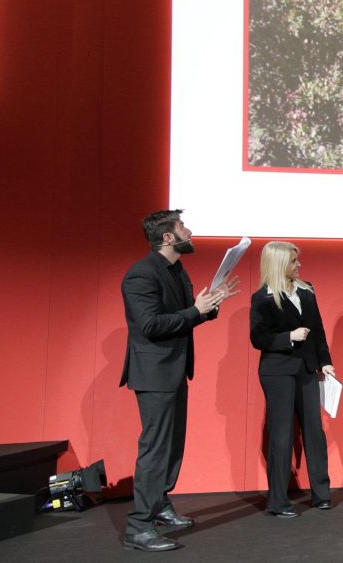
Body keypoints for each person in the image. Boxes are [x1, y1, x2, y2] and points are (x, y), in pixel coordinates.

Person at [120, 209, 240, 552]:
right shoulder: (141, 275)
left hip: (174, 369)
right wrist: (195, 311)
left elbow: (184, 318)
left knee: (172, 446)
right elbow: (151, 325)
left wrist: (210, 306)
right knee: (156, 449)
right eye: (183, 227)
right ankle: (139, 527)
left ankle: (159, 503)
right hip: (154, 374)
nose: (190, 231)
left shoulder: (176, 270)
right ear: (169, 237)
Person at [250, 241, 336, 518]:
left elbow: (319, 330)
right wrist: (288, 337)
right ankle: (277, 501)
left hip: (307, 368)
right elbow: (258, 338)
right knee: (281, 434)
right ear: (278, 264)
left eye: (298, 260)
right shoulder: (262, 297)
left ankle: (321, 494)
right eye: (293, 261)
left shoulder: (307, 291)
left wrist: (325, 362)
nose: (299, 265)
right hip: (277, 371)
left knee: (314, 430)